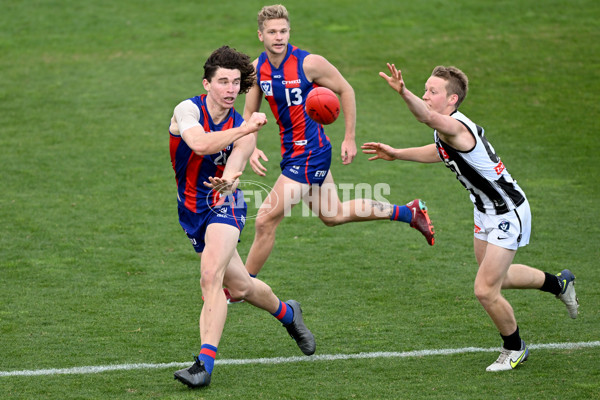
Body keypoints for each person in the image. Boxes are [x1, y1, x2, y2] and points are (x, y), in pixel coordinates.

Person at [362, 63, 579, 372]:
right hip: (484, 209)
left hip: (509, 212)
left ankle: (515, 348)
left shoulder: (456, 127)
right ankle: (559, 284)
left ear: (452, 100)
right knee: (496, 278)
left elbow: (425, 117)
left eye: (432, 92)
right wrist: (397, 153)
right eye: (424, 89)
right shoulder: (447, 132)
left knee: (484, 290)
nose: (426, 95)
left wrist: (403, 92)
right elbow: (439, 151)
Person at [241, 4, 435, 280]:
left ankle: (241, 287)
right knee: (333, 215)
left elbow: (345, 89)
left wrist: (350, 137)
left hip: (310, 154)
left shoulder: (309, 63)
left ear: (289, 32)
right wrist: (253, 145)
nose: (279, 37)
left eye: (283, 30)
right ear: (261, 35)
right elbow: (251, 113)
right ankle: (409, 212)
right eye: (272, 32)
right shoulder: (256, 70)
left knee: (264, 220)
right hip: (292, 153)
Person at [169, 46, 316, 389]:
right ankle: (288, 314)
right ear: (207, 84)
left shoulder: (246, 132)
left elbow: (234, 172)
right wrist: (246, 128)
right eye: (223, 81)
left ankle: (203, 365)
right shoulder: (187, 110)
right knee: (241, 285)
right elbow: (201, 144)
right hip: (191, 209)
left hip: (226, 204)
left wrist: (230, 179)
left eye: (236, 82)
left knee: (212, 277)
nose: (231, 89)